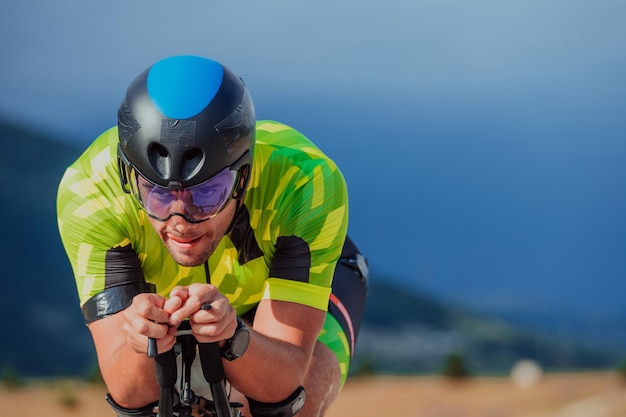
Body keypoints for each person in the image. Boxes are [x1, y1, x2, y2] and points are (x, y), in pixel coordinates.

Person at [57, 55, 368, 417]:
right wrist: (143, 345)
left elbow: (284, 383)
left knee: (296, 407)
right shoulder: (91, 193)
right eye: (157, 194)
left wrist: (233, 336)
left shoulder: (306, 184)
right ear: (129, 179)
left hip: (285, 282)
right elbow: (127, 392)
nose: (180, 220)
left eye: (206, 195)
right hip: (178, 308)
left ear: (243, 176)